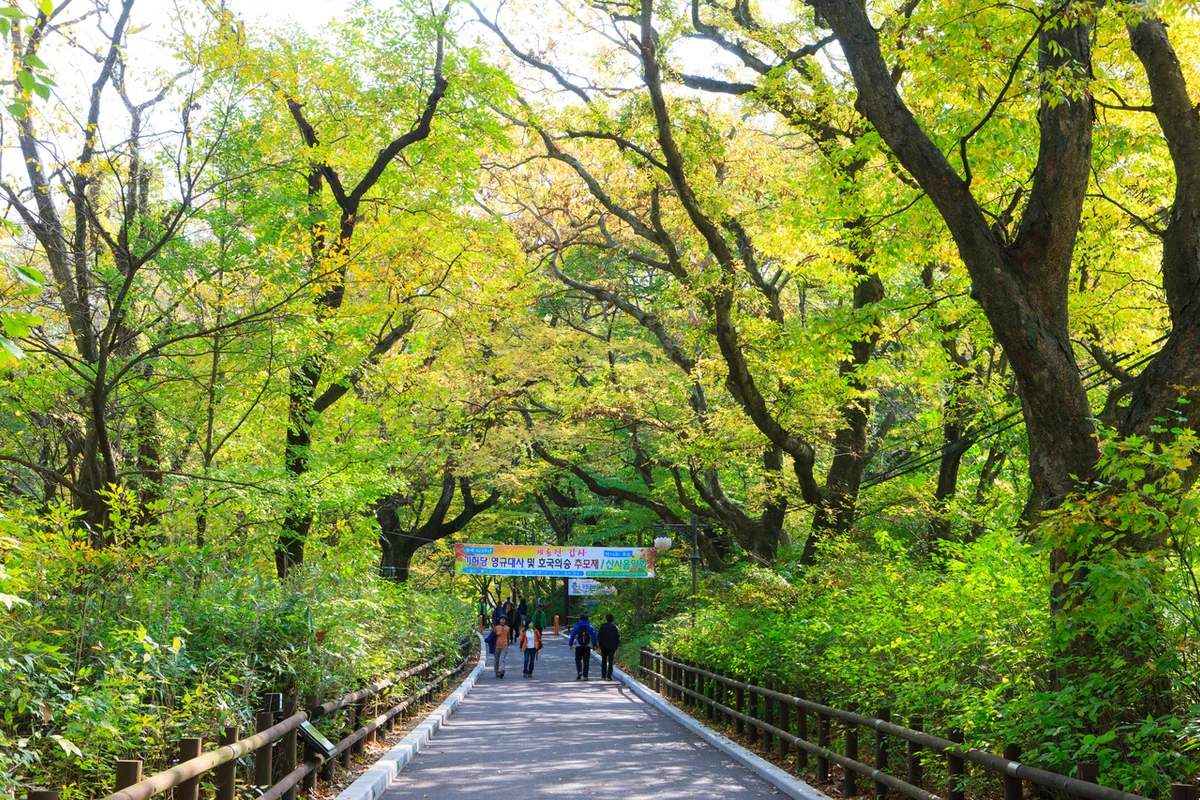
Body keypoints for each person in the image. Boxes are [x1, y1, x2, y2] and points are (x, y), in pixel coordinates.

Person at [568, 614, 599, 681]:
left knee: (578, 659)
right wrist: (595, 645)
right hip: (587, 646)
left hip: (578, 646)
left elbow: (572, 636)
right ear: (587, 619)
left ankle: (579, 671)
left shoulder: (576, 627)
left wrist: (570, 644)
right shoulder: (591, 627)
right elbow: (595, 637)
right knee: (586, 661)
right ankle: (585, 676)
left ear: (580, 619)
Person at [597, 613, 620, 680]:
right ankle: (609, 675)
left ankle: (603, 675)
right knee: (611, 661)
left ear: (606, 618)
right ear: (612, 619)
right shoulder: (615, 627)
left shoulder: (602, 626)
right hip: (612, 646)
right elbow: (618, 637)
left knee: (604, 660)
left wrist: (600, 644)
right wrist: (616, 646)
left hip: (604, 646)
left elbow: (599, 636)